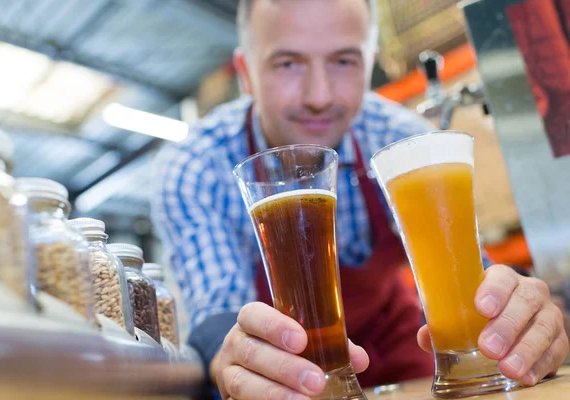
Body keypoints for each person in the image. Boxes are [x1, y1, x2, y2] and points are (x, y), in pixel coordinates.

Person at [151, 0, 569, 399]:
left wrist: (518, 322)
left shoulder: (398, 139)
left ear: (368, 62)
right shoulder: (195, 167)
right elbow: (218, 316)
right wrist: (234, 359)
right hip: (290, 380)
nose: (320, 94)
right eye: (288, 63)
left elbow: (469, 278)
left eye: (344, 61)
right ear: (246, 72)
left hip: (408, 362)